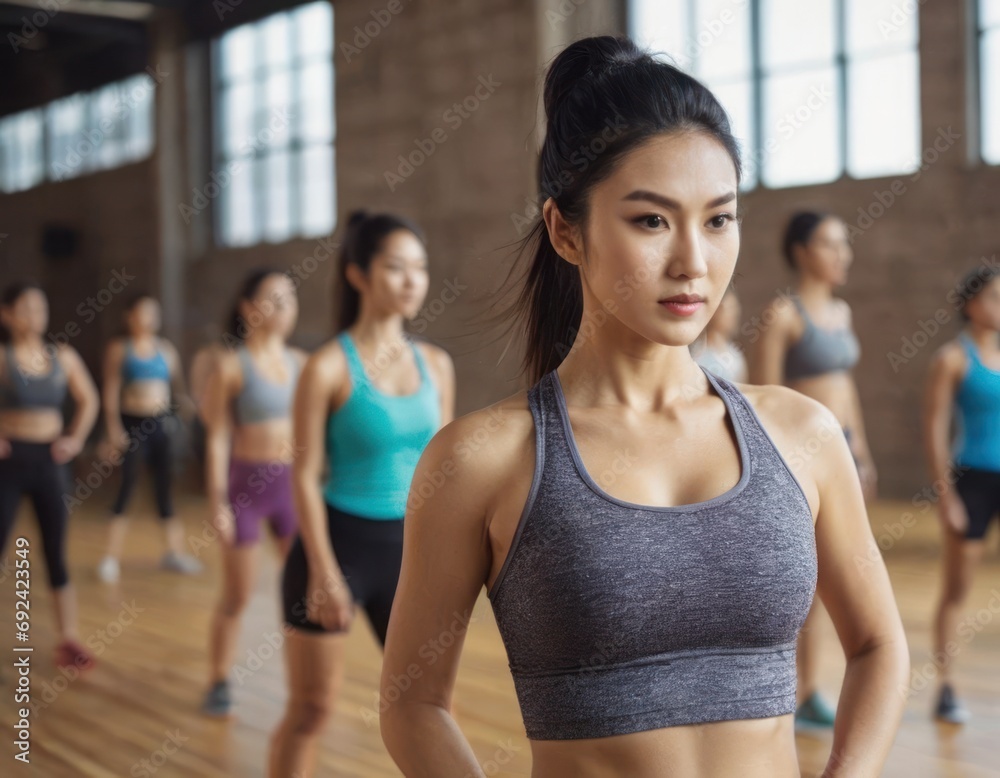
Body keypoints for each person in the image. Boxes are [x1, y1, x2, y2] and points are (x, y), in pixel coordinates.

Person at [379, 35, 909, 778]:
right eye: (651, 221)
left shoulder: (802, 435)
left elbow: (879, 645)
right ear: (566, 231)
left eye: (719, 219)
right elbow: (412, 703)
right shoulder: (483, 460)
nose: (693, 260)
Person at [268, 211, 455, 777]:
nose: (411, 281)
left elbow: (442, 471)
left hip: (410, 554)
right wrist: (324, 572)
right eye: (395, 268)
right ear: (358, 275)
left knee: (429, 712)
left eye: (419, 269)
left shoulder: (437, 365)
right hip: (338, 547)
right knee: (311, 710)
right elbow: (303, 475)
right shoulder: (326, 367)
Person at [752, 211, 876, 729]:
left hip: (843, 451)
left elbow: (846, 387)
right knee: (801, 579)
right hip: (801, 462)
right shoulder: (784, 314)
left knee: (841, 573)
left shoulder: (843, 313)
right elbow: (764, 398)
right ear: (802, 251)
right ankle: (793, 691)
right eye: (830, 244)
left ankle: (812, 688)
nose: (842, 254)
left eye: (844, 244)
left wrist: (862, 451)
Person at [201, 269, 307, 717]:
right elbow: (217, 438)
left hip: (292, 490)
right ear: (248, 308)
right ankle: (219, 679)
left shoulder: (304, 364)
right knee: (238, 594)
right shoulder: (230, 366)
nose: (284, 307)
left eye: (289, 298)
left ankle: (304, 683)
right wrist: (218, 503)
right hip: (246, 490)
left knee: (301, 594)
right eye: (273, 299)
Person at [0, 282, 100, 668]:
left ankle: (69, 638)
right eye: (24, 309)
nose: (34, 316)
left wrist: (74, 439)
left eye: (39, 308)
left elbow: (89, 398)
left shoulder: (63, 356)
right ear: (6, 314)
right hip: (9, 463)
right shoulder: (4, 357)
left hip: (50, 461)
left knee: (56, 550)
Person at [924, 265, 1000, 724]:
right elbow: (934, 427)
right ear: (970, 304)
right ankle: (946, 687)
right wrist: (945, 495)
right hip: (971, 480)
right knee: (957, 588)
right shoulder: (953, 358)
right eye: (993, 297)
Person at [97, 293, 201, 584]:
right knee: (127, 487)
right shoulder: (120, 348)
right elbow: (110, 392)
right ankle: (110, 557)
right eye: (143, 312)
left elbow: (178, 392)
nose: (149, 318)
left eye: (153, 313)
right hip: (132, 425)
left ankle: (174, 553)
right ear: (129, 316)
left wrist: (190, 408)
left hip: (161, 426)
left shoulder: (166, 350)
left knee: (164, 489)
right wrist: (113, 429)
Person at [690, 285, 747, 382]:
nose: (734, 314)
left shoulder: (735, 353)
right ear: (716, 311)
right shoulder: (697, 353)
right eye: (729, 309)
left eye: (735, 308)